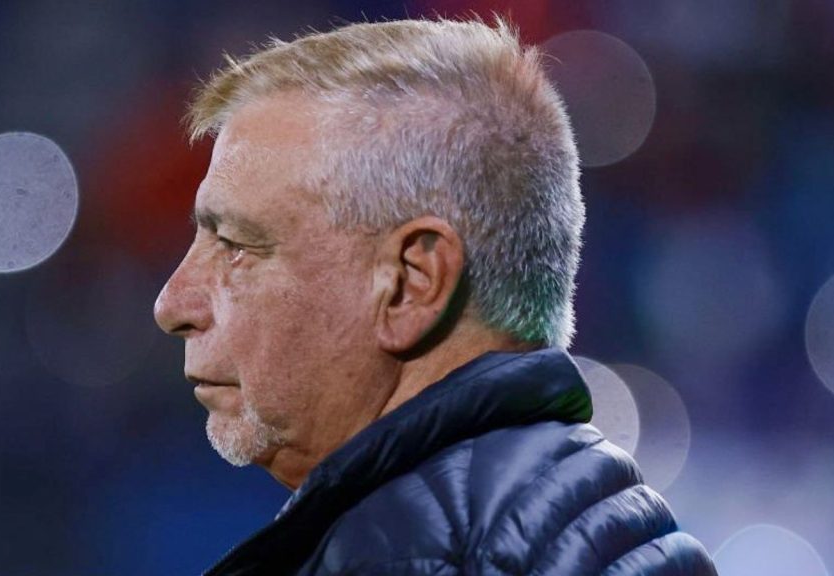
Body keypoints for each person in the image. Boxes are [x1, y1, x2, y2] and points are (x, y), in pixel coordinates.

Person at [153, 16, 717, 575]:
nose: (173, 305)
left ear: (411, 284)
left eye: (237, 246)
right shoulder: (587, 521)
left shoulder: (416, 557)